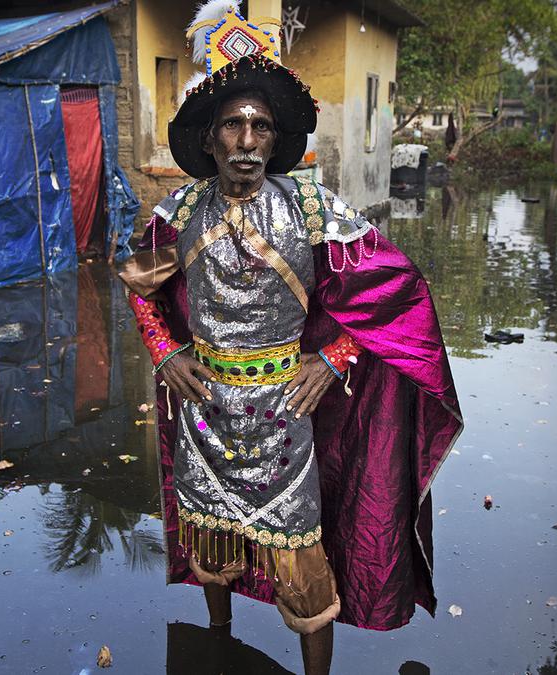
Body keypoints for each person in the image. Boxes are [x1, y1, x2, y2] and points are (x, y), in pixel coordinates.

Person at [117, 4, 463, 673]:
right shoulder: (178, 213)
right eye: (232, 125)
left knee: (304, 573)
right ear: (211, 139)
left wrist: (334, 359)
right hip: (204, 421)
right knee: (211, 550)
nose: (246, 139)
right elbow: (141, 288)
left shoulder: (314, 211)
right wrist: (166, 352)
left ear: (275, 141)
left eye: (260, 126)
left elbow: (395, 299)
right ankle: (215, 649)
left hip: (284, 421)